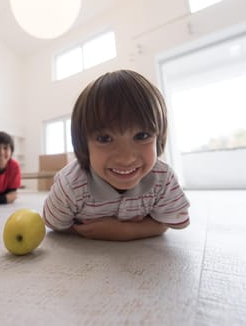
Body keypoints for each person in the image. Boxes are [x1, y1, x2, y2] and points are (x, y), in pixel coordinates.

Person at [42, 69, 190, 241]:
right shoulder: (70, 185)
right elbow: (54, 224)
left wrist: (127, 231)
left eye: (141, 136)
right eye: (105, 138)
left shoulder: (163, 178)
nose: (126, 158)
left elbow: (170, 222)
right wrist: (91, 232)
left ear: (159, 138)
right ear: (84, 143)